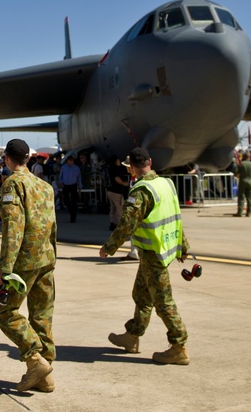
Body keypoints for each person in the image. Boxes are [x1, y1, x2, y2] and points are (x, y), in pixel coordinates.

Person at [101, 147, 190, 366]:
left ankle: (178, 346)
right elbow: (176, 215)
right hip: (161, 250)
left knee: (163, 302)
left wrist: (109, 247)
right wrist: (183, 245)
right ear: (150, 161)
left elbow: (126, 224)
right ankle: (132, 336)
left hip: (154, 254)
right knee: (141, 295)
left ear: (131, 167)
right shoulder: (166, 184)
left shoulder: (141, 191)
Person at [0, 138, 57, 393]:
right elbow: (52, 224)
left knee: (5, 312)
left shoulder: (12, 184)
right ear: (28, 158)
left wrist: (4, 268)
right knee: (42, 315)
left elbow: (13, 228)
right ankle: (46, 374)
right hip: (46, 258)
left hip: (25, 260)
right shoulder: (44, 186)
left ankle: (34, 360)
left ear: (7, 159)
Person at [57, 155, 82, 223]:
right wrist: (61, 182)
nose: (70, 162)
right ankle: (71, 211)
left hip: (73, 185)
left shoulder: (76, 168)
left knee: (74, 201)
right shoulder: (64, 167)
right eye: (69, 160)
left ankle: (73, 216)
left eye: (72, 160)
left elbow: (79, 178)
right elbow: (60, 176)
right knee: (66, 200)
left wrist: (80, 188)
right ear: (67, 161)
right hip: (65, 185)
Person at [108, 156, 130, 230]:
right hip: (117, 191)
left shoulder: (110, 168)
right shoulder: (117, 169)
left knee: (112, 208)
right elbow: (117, 178)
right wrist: (124, 183)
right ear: (116, 161)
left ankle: (112, 223)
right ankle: (120, 224)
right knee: (119, 208)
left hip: (109, 191)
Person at [234, 151, 251, 216]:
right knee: (250, 198)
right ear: (249, 157)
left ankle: (240, 212)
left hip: (242, 181)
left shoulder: (241, 164)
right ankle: (249, 212)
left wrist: (238, 175)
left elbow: (235, 171)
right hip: (250, 182)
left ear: (243, 157)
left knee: (241, 197)